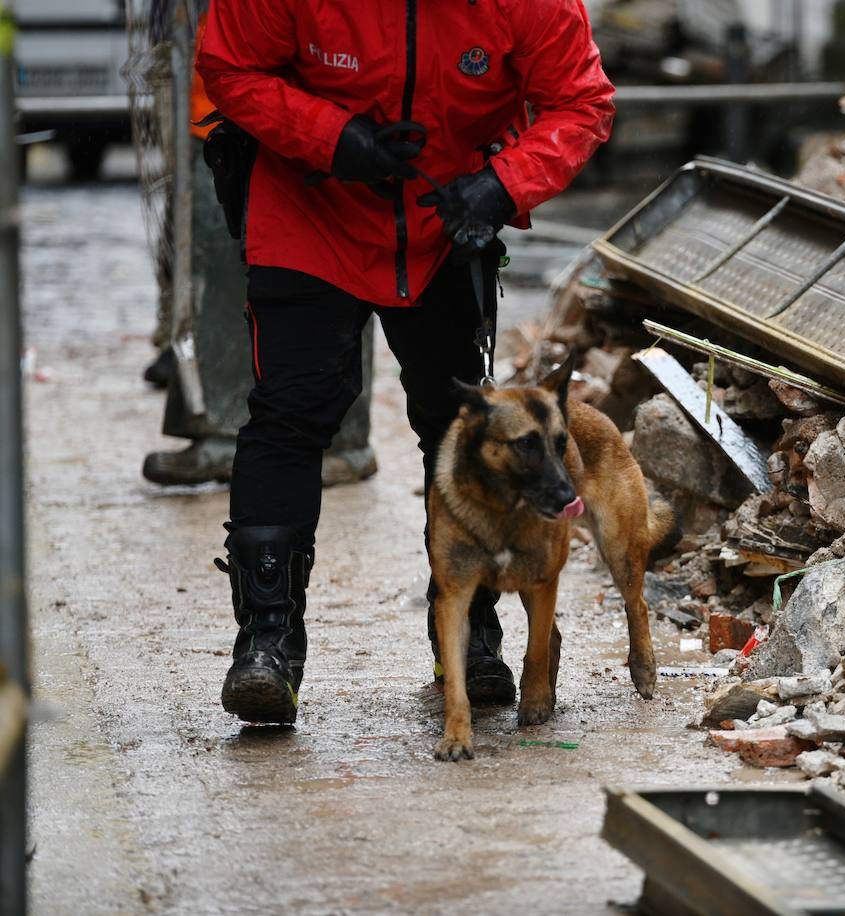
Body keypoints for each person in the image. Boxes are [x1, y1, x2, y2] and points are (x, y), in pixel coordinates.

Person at [197, 0, 615, 724]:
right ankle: (267, 646)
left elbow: (579, 101)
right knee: (290, 416)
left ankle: (469, 631)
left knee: (461, 430)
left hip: (446, 217)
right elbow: (230, 68)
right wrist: (334, 137)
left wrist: (505, 184)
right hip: (309, 211)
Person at [143, 15, 376, 489]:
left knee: (331, 268)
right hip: (226, 101)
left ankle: (341, 438)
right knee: (220, 268)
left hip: (325, 101)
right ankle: (221, 429)